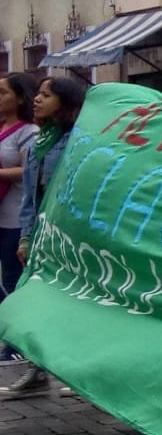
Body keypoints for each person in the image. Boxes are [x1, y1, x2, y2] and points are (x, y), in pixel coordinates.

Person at [1, 75, 89, 400]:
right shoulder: (41, 143)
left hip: (71, 236)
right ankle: (37, 370)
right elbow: (31, 197)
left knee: (75, 304)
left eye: (47, 95)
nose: (37, 99)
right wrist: (27, 238)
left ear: (66, 103)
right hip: (42, 235)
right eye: (38, 93)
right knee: (35, 302)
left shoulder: (78, 141)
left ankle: (81, 373)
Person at [0, 74, 38, 364]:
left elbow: (28, 171)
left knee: (13, 280)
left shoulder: (29, 132)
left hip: (14, 218)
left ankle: (17, 345)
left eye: (3, 92)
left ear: (21, 97)